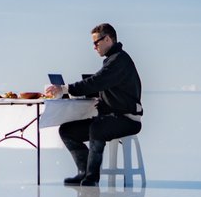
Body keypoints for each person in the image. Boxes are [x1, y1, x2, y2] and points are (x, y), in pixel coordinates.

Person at [45, 23, 142, 186]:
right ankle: (83, 172)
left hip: (128, 120)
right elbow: (104, 86)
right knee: (67, 131)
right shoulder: (112, 59)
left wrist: (64, 89)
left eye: (96, 43)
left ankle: (92, 177)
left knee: (97, 128)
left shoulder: (119, 60)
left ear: (108, 39)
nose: (94, 47)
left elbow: (98, 81)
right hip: (111, 118)